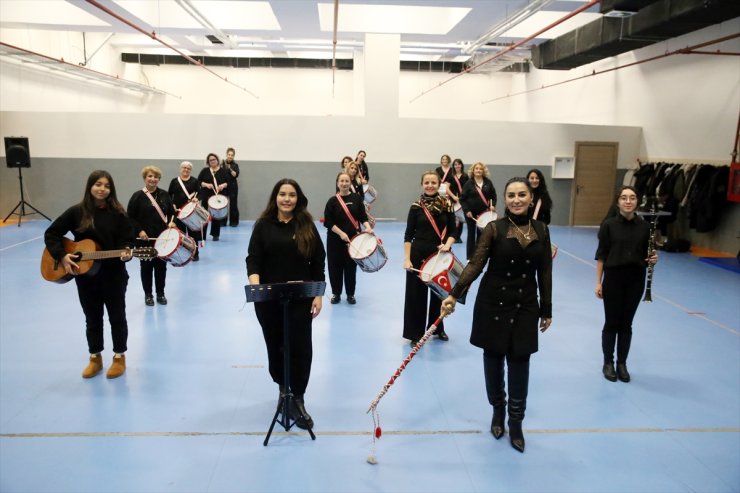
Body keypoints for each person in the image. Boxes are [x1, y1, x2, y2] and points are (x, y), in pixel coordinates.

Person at [442, 177, 553, 454]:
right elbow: (476, 263)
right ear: (505, 199)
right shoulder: (494, 228)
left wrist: (546, 308)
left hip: (526, 303)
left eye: (522, 194)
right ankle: (497, 411)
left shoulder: (541, 228)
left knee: (520, 361)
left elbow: (545, 271)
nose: (517, 199)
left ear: (530, 197)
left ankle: (516, 422)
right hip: (493, 303)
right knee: (493, 360)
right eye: (512, 195)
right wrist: (455, 293)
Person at [246, 178, 326, 430]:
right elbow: (253, 259)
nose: (287, 199)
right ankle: (284, 391)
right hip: (269, 299)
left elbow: (318, 261)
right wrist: (256, 285)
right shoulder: (263, 225)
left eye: (292, 195)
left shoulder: (306, 225)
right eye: (282, 194)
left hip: (300, 299)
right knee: (276, 345)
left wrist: (318, 294)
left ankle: (298, 397)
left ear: (298, 198)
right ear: (275, 197)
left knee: (301, 347)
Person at [44, 170, 135, 379]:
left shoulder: (119, 213)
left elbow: (128, 240)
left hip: (113, 275)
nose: (102, 189)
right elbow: (52, 233)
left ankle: (119, 357)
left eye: (107, 186)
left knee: (117, 317)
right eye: (98, 184)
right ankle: (95, 357)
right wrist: (62, 256)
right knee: (92, 318)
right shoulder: (76, 212)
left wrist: (127, 252)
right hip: (86, 277)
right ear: (90, 187)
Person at [595, 186, 657, 383]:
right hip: (613, 278)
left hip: (635, 279)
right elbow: (601, 255)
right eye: (624, 198)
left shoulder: (645, 227)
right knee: (611, 322)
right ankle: (608, 363)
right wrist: (598, 282)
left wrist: (653, 258)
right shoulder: (608, 225)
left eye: (632, 198)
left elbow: (648, 254)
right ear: (618, 202)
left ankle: (622, 363)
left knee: (626, 324)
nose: (628, 201)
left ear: (637, 201)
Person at [403, 171, 457, 346]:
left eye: (433, 182)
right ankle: (415, 333)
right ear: (422, 184)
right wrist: (407, 259)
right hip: (417, 254)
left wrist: (448, 245)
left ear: (438, 184)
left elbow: (453, 231)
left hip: (439, 254)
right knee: (415, 296)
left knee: (439, 294)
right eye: (426, 182)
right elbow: (408, 235)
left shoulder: (446, 205)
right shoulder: (416, 207)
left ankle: (437, 328)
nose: (430, 185)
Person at [128, 166, 177, 306]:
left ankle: (160, 294)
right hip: (144, 239)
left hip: (162, 238)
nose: (153, 179)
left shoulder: (165, 195)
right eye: (150, 176)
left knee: (161, 268)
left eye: (156, 177)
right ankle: (148, 294)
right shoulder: (137, 196)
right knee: (146, 267)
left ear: (159, 179)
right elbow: (130, 217)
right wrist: (139, 230)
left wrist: (172, 223)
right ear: (145, 178)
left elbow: (172, 213)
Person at [324, 171, 373, 305]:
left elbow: (362, 217)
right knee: (335, 267)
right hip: (335, 240)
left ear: (350, 183)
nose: (344, 183)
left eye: (347, 181)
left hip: (353, 240)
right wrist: (340, 233)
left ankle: (350, 294)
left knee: (351, 267)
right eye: (342, 181)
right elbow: (328, 222)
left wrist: (367, 227)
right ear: (337, 183)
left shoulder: (357, 199)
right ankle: (336, 293)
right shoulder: (332, 201)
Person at [460, 162, 497, 260]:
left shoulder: (488, 182)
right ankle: (470, 257)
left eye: (480, 169)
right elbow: (462, 199)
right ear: (473, 170)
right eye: (476, 168)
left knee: (482, 235)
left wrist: (492, 205)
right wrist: (466, 210)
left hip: (484, 213)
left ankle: (480, 255)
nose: (478, 170)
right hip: (471, 214)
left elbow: (493, 196)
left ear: (483, 171)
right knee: (471, 234)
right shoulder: (469, 183)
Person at [168, 161, 202, 261]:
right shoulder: (174, 181)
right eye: (184, 168)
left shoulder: (194, 181)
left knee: (193, 234)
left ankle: (195, 253)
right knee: (181, 235)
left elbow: (200, 193)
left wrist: (197, 199)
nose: (186, 170)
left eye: (188, 168)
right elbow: (169, 195)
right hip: (178, 212)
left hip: (190, 213)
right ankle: (185, 253)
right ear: (180, 169)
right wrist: (172, 204)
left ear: (190, 170)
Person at [198, 152, 229, 241]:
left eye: (214, 159)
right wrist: (205, 184)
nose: (212, 161)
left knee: (216, 216)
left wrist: (223, 185)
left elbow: (228, 182)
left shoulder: (223, 171)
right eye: (210, 160)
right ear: (208, 162)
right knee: (204, 216)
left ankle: (215, 235)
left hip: (217, 197)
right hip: (206, 196)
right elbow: (198, 181)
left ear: (217, 160)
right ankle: (202, 235)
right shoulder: (205, 171)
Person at [450, 158, 468, 242]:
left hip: (463, 199)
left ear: (461, 165)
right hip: (454, 199)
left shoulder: (466, 176)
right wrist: (453, 196)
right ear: (453, 166)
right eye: (455, 164)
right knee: (454, 218)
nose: (457, 166)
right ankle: (453, 236)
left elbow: (468, 188)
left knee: (460, 218)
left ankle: (458, 237)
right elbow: (447, 188)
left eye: (459, 164)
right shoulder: (451, 176)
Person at [222, 147, 240, 227]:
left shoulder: (235, 165)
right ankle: (222, 222)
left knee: (233, 204)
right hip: (224, 186)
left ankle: (234, 222)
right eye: (229, 154)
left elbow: (235, 175)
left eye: (232, 155)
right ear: (226, 155)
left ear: (233, 156)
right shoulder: (222, 164)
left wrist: (230, 168)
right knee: (223, 204)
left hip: (233, 186)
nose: (230, 156)